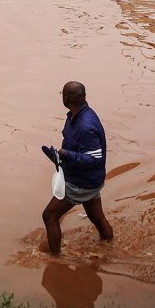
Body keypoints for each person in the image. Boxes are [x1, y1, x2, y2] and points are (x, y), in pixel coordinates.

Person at [41, 81, 114, 255]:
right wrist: (59, 157)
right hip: (89, 178)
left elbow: (96, 159)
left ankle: (55, 260)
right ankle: (110, 245)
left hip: (81, 182)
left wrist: (66, 155)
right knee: (97, 217)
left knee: (50, 216)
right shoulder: (75, 116)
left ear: (66, 98)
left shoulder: (86, 125)